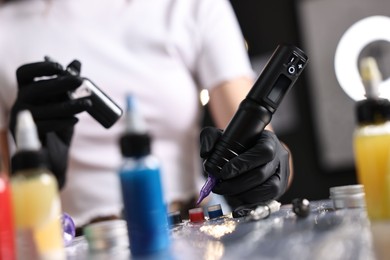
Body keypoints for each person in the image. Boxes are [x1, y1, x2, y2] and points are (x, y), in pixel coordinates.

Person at [0, 0, 292, 229]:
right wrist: (33, 170)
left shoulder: (192, 6)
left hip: (196, 231)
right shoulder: (6, 28)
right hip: (63, 243)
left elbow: (254, 134)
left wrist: (271, 166)